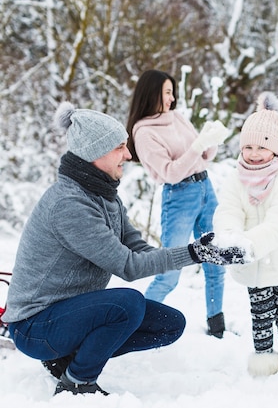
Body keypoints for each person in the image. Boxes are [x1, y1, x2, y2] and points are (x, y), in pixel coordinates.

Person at [1, 102, 246, 396]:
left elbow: (138, 249)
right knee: (126, 304)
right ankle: (77, 380)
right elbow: (128, 266)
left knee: (170, 324)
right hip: (35, 326)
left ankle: (66, 359)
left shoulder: (105, 197)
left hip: (68, 314)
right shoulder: (69, 205)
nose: (129, 155)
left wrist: (201, 250)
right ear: (94, 153)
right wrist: (193, 253)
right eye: (120, 147)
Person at [126, 70, 230, 338]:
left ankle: (217, 327)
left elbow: (204, 155)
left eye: (173, 92)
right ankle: (137, 325)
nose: (172, 99)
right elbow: (170, 172)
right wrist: (197, 146)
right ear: (152, 94)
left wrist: (212, 138)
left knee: (216, 261)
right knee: (170, 270)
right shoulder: (144, 132)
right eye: (167, 92)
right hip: (179, 196)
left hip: (205, 188)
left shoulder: (178, 118)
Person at [212, 92, 278, 376]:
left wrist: (250, 244)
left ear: (275, 149)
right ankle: (264, 359)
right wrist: (231, 238)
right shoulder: (237, 177)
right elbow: (228, 209)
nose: (253, 154)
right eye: (247, 147)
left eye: (261, 147)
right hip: (252, 264)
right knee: (261, 313)